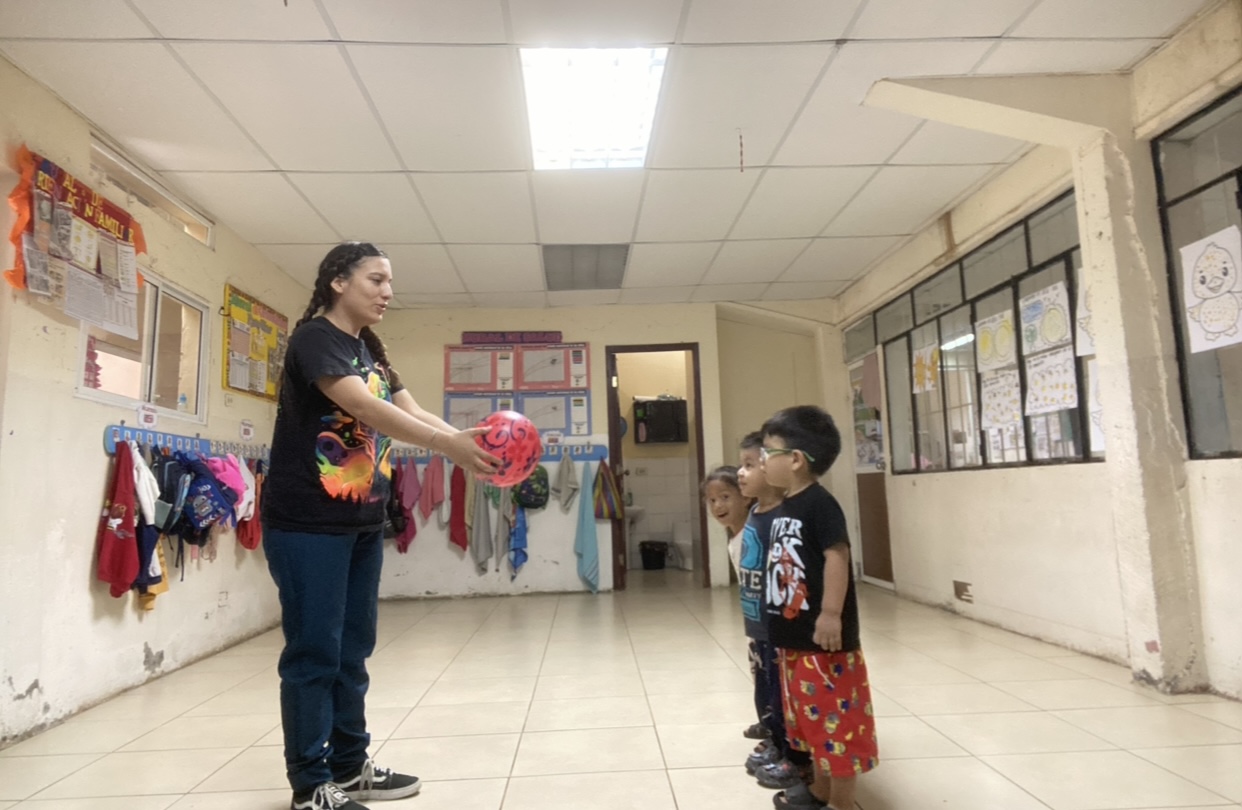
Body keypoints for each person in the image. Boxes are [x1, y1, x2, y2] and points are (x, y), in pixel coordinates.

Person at [262, 242, 500, 810]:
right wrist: (448, 445)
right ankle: (310, 787)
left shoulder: (367, 345)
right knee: (314, 653)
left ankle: (349, 767)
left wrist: (467, 446)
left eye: (389, 282)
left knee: (352, 650)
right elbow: (365, 408)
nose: (388, 292)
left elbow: (409, 411)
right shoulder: (315, 339)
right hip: (308, 522)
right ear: (338, 282)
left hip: (361, 521)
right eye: (376, 279)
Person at [760, 406, 878, 810]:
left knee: (836, 725)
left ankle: (842, 801)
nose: (763, 459)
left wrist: (830, 614)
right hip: (795, 639)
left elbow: (836, 555)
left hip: (824, 644)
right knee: (812, 722)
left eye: (768, 452)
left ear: (795, 459)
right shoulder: (786, 504)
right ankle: (820, 790)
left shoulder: (820, 504)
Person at [736, 431, 811, 790]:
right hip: (757, 624)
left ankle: (793, 755)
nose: (741, 472)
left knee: (783, 694)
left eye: (750, 464)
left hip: (778, 626)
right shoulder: (754, 511)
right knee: (764, 688)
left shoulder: (783, 515)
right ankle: (775, 739)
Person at [700, 465, 751, 576]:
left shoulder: (753, 538)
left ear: (745, 498)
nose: (717, 506)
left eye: (725, 497)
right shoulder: (735, 540)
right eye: (712, 500)